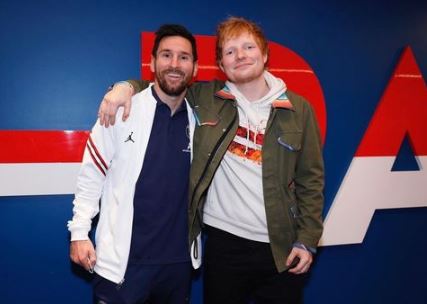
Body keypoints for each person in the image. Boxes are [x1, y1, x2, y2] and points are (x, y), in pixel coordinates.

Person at [100, 17, 324, 304]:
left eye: (248, 47)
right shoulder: (205, 96)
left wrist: (307, 240)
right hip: (223, 244)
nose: (240, 56)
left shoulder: (299, 109)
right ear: (221, 63)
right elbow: (160, 84)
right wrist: (123, 87)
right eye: (230, 51)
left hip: (281, 248)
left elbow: (311, 181)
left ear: (265, 54)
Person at [67, 24, 200, 304]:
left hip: (178, 265)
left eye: (184, 57)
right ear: (151, 62)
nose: (174, 64)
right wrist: (79, 232)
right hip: (123, 265)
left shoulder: (202, 120)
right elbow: (92, 175)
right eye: (166, 55)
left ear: (195, 68)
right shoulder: (121, 110)